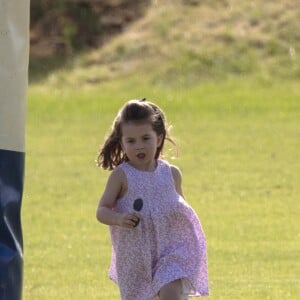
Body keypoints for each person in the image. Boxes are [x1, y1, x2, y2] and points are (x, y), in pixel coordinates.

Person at [96, 99, 209, 300]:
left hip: (170, 251)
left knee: (170, 291)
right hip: (135, 256)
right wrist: (119, 219)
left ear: (158, 138)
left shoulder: (171, 174)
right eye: (131, 141)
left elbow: (181, 212)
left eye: (145, 138)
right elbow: (102, 210)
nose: (139, 146)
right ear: (121, 142)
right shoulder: (121, 176)